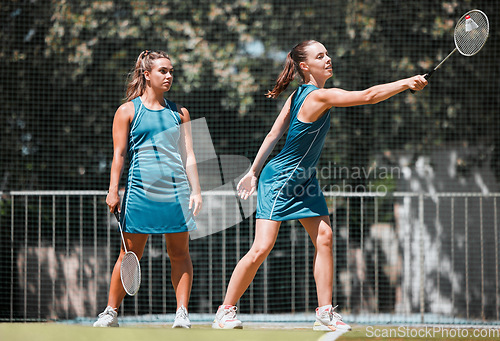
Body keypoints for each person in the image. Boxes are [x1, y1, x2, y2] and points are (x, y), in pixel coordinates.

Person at [212, 40, 427, 331]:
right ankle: (225, 310)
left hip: (305, 180)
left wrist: (252, 170)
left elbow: (275, 134)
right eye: (320, 55)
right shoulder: (315, 96)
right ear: (304, 66)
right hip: (281, 179)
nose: (328, 59)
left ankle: (325, 313)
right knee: (262, 247)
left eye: (327, 53)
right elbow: (368, 95)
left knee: (324, 237)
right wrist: (406, 82)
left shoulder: (299, 95)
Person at [94, 50, 202, 328]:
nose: (168, 76)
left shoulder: (180, 113)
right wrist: (112, 190)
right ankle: (111, 312)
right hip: (139, 194)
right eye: (162, 71)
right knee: (128, 254)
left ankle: (182, 313)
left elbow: (190, 155)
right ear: (146, 74)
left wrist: (197, 191)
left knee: (180, 254)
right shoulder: (128, 110)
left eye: (171, 71)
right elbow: (118, 155)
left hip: (176, 194)